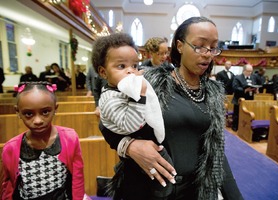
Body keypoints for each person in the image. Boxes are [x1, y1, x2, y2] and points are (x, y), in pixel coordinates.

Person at [94, 17, 243, 200]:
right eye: (199, 46)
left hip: (193, 191)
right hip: (147, 187)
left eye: (213, 47)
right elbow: (107, 120)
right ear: (180, 46)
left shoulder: (213, 93)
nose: (207, 53)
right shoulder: (149, 81)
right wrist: (130, 146)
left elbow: (217, 151)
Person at [92, 33, 174, 199]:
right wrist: (128, 145)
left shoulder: (129, 85)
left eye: (134, 66)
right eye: (121, 66)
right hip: (137, 165)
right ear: (103, 72)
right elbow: (122, 124)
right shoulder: (113, 95)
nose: (130, 71)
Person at [1, 81, 86, 199]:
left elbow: (77, 178)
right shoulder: (11, 147)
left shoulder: (69, 138)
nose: (38, 120)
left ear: (55, 108)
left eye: (45, 112)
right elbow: (8, 185)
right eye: (29, 114)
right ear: (18, 112)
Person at [231, 64, 258, 131]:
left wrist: (256, 90)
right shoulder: (238, 77)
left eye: (251, 71)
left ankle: (245, 128)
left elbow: (254, 85)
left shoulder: (253, 77)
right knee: (237, 114)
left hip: (249, 99)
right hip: (239, 99)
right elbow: (235, 88)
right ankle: (235, 127)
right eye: (248, 71)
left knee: (247, 114)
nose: (250, 73)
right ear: (244, 70)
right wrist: (244, 90)